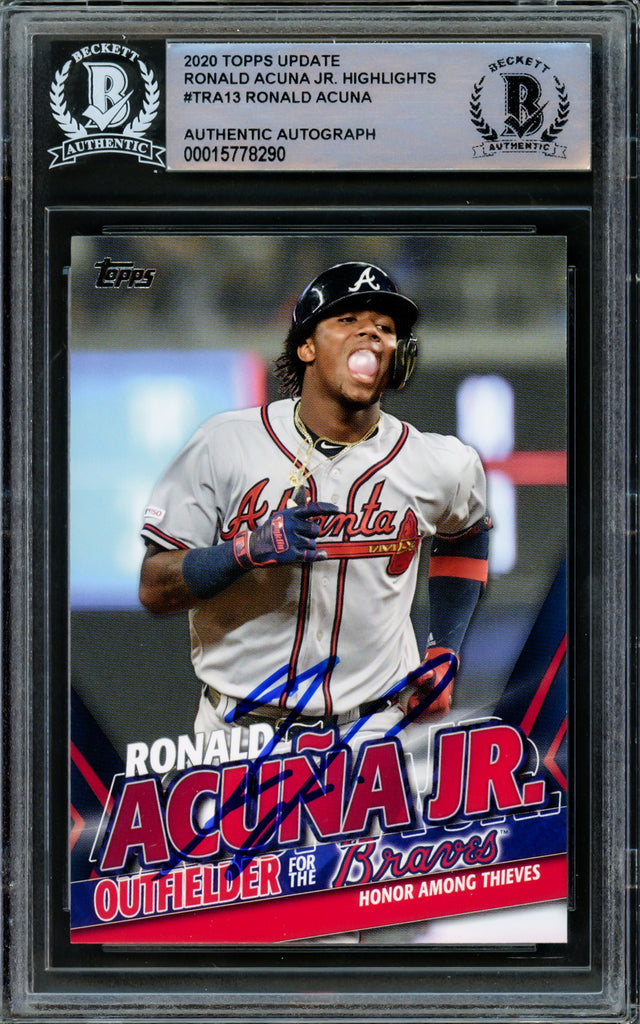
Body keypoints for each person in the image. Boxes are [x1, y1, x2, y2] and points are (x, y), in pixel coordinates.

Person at [139, 261, 490, 750]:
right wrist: (244, 551)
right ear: (306, 346)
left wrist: (444, 648)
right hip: (238, 737)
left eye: (385, 327)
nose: (370, 333)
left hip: (375, 736)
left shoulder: (441, 462)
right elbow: (155, 588)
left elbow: (468, 532)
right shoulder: (223, 443)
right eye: (347, 320)